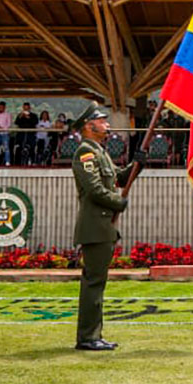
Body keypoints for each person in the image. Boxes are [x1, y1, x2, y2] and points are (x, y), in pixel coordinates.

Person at [71, 102, 130, 351]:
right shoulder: (86, 152)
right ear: (89, 125)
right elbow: (95, 189)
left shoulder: (100, 152)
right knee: (93, 284)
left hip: (102, 226)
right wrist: (119, 202)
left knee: (98, 283)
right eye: (102, 120)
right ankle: (87, 337)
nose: (107, 123)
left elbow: (118, 177)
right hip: (95, 226)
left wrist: (138, 163)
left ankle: (94, 335)